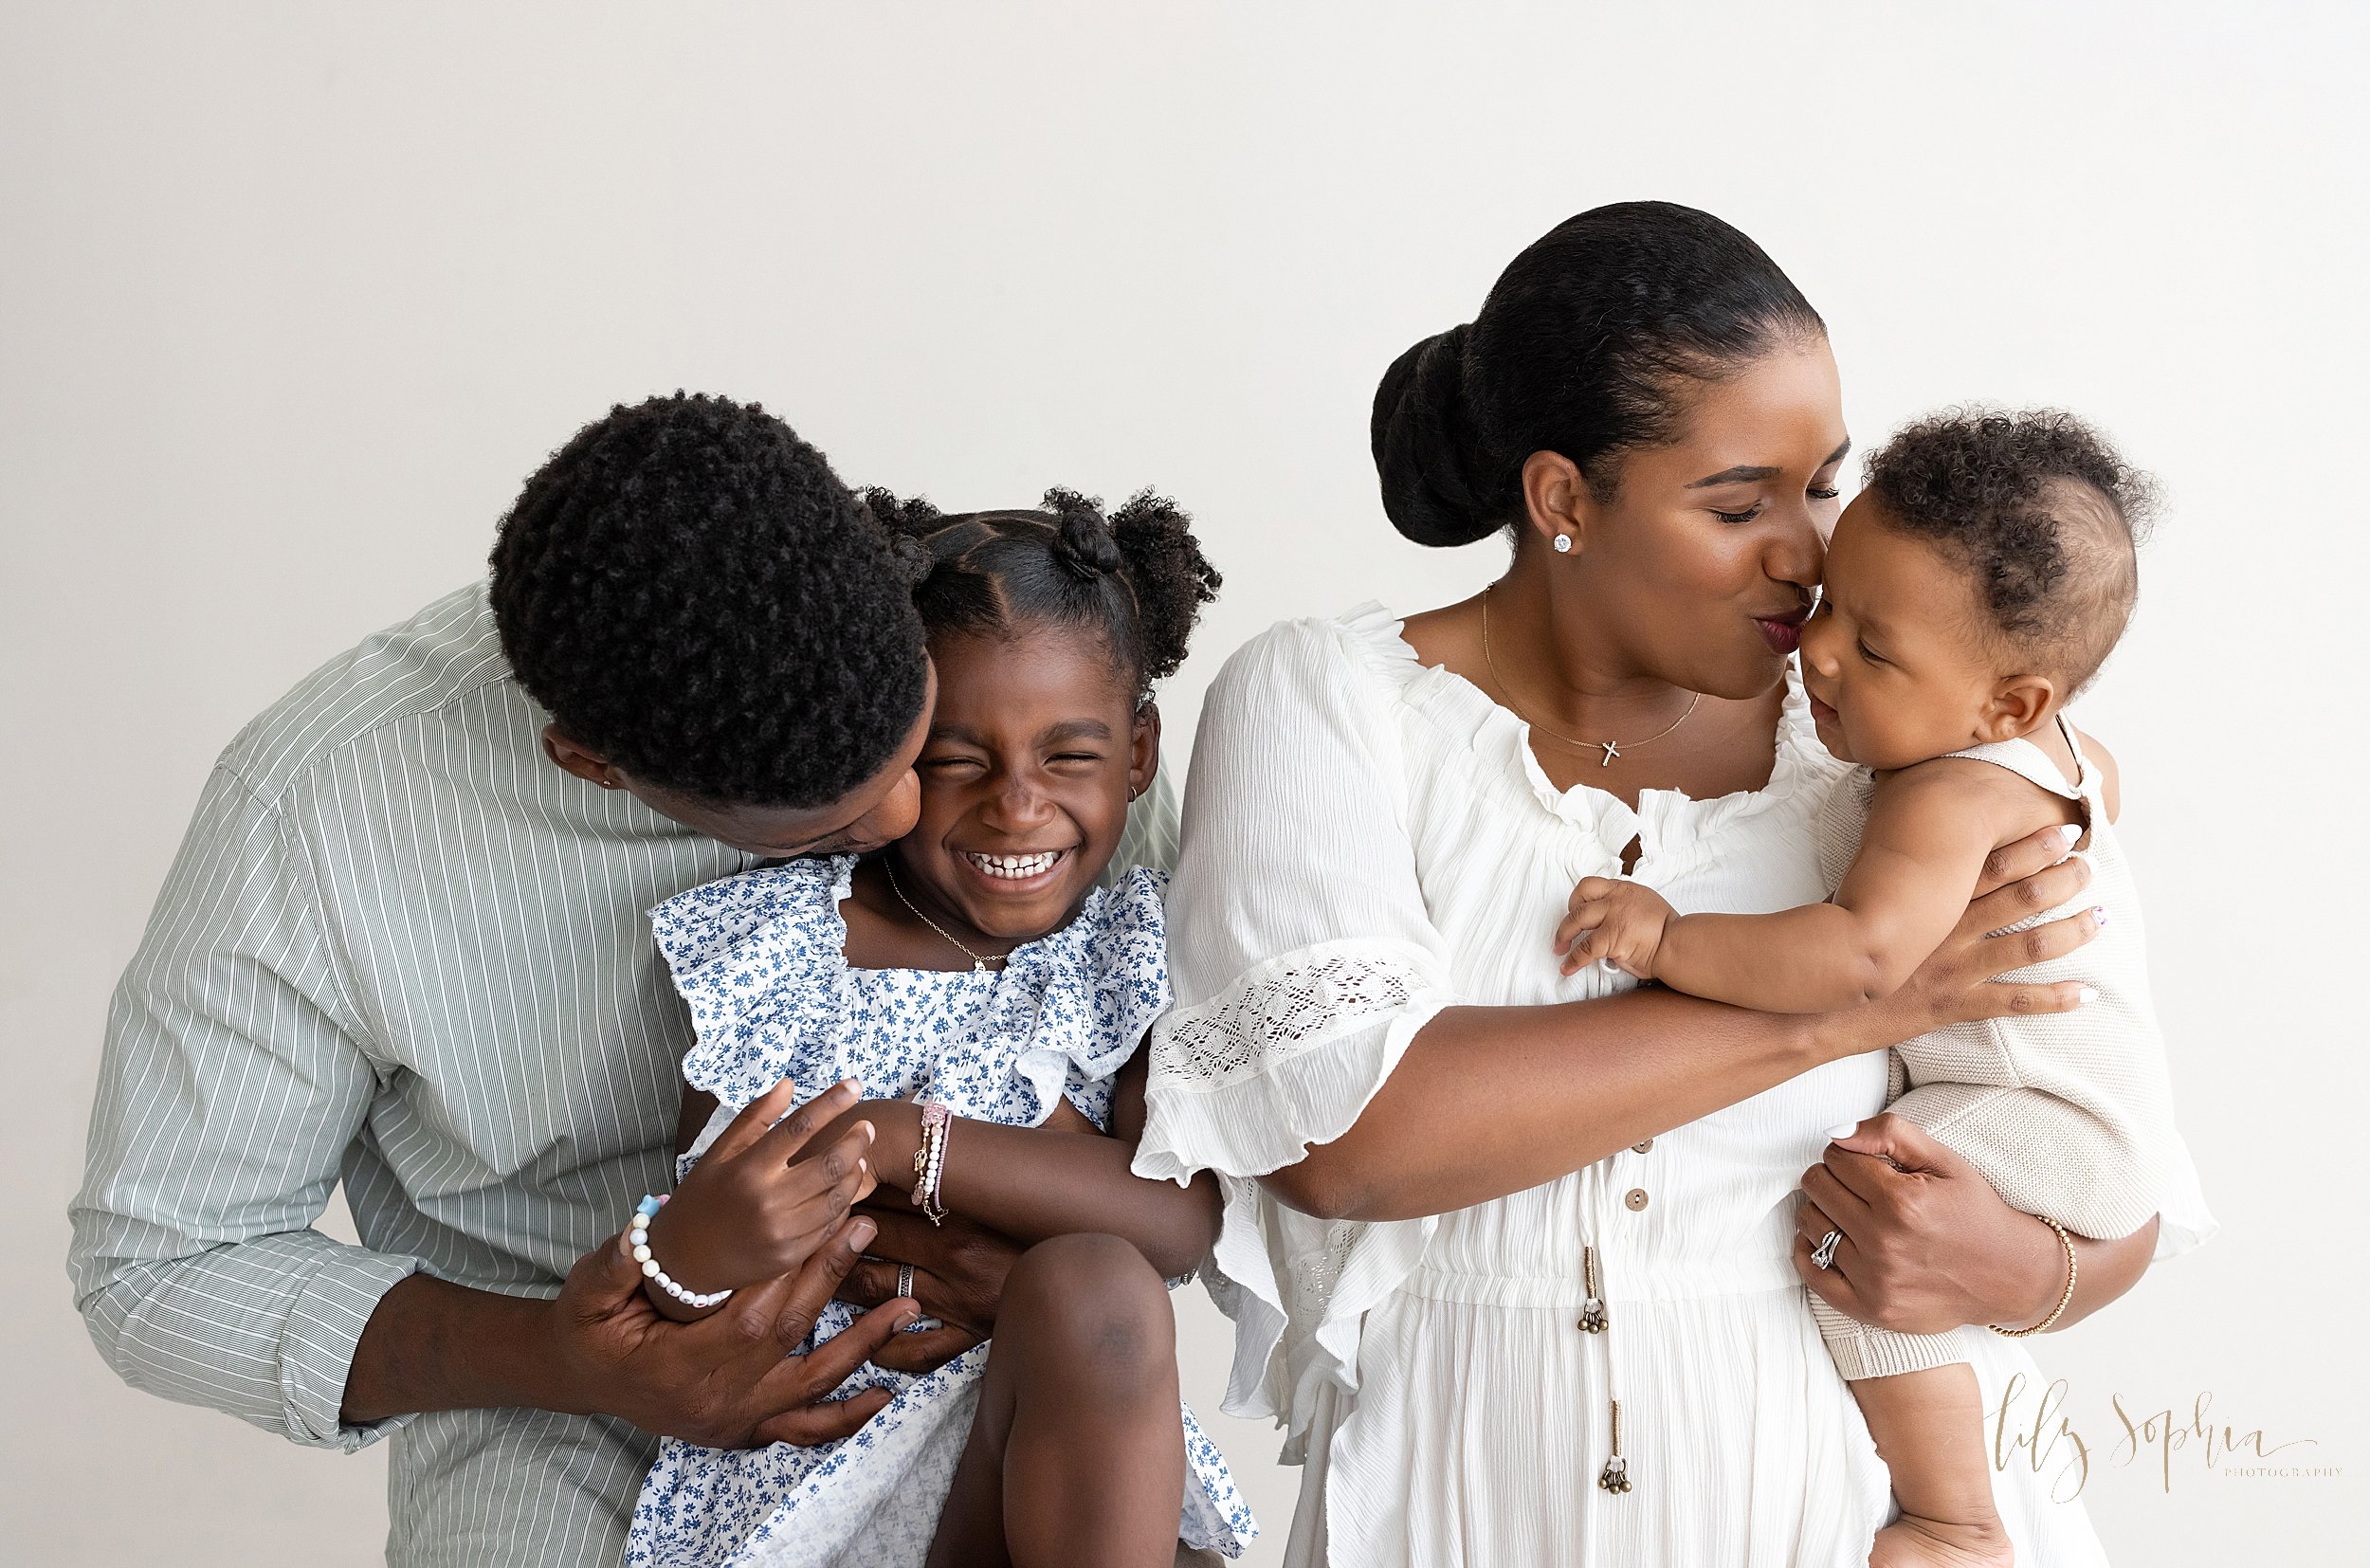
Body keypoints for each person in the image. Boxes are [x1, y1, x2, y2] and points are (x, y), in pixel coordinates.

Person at [1130, 203, 2214, 1566]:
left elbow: (2112, 1149)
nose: (1809, 552)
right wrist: (1844, 1012)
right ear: (1563, 499)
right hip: (1477, 1510)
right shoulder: (1331, 703)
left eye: (1823, 484)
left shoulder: (1903, 740)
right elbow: (1353, 1143)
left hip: (1874, 1521)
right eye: (1738, 500)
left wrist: (2016, 1268)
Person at [68, 394, 1176, 1566]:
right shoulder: (320, 812)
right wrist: (561, 1352)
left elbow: (1215, 1120)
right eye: (825, 825)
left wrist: (1035, 1241)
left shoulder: (984, 642)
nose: (904, 816)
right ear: (593, 766)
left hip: (1003, 1374)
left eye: (918, 751)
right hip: (556, 1410)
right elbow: (161, 1264)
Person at [1560, 409, 2181, 1565]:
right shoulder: (2051, 754)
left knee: (1861, 1213)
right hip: (2093, 1112)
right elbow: (2104, 783)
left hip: (2041, 1115)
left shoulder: (1945, 796)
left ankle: (1954, 1515)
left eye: (1875, 647)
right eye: (1834, 602)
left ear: (2012, 706)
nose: (1821, 651)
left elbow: (1855, 958)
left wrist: (1663, 939)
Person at [619, 489, 1252, 1568]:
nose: (1015, 806)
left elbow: (1176, 1222)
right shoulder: (781, 946)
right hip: (820, 1478)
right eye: (958, 758)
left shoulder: (1135, 945)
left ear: (1138, 752)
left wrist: (901, 1140)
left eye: (1068, 756)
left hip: (1044, 1451)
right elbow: (708, 1236)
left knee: (1096, 1283)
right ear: (885, 745)